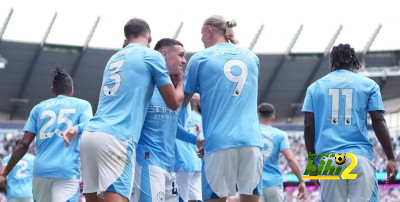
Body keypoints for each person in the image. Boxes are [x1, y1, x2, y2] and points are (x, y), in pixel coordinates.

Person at [63, 18, 184, 202]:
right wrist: (182, 83)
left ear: (126, 38)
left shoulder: (114, 58)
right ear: (149, 38)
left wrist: (78, 128)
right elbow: (174, 103)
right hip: (117, 138)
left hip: (90, 136)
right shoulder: (151, 56)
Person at [302, 43, 397, 202]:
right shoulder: (369, 85)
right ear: (354, 62)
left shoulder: (315, 87)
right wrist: (390, 158)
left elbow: (308, 125)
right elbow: (378, 121)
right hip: (359, 157)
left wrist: (312, 161)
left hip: (329, 160)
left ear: (332, 62)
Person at [183, 15, 263, 202]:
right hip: (251, 140)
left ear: (209, 31)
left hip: (219, 141)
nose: (201, 39)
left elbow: (181, 101)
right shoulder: (252, 57)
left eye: (202, 34)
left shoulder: (200, 58)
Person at [0, 65, 93, 202]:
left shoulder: (38, 108)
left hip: (40, 173)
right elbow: (90, 130)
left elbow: (23, 144)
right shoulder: (83, 105)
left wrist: (4, 173)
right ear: (71, 88)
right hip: (66, 171)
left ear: (52, 90)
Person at [132, 38, 203, 202]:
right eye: (181, 55)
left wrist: (195, 140)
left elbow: (172, 126)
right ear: (164, 53)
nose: (184, 60)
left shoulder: (173, 92)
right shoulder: (144, 85)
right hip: (147, 161)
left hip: (169, 164)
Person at [257, 103, 305, 202]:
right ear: (273, 118)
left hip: (254, 184)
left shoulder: (251, 132)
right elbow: (290, 158)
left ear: (258, 116)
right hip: (273, 183)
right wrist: (301, 181)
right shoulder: (280, 135)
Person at [175, 93, 203, 202]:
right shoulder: (198, 117)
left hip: (180, 162)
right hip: (195, 162)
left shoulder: (174, 100)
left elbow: (172, 126)